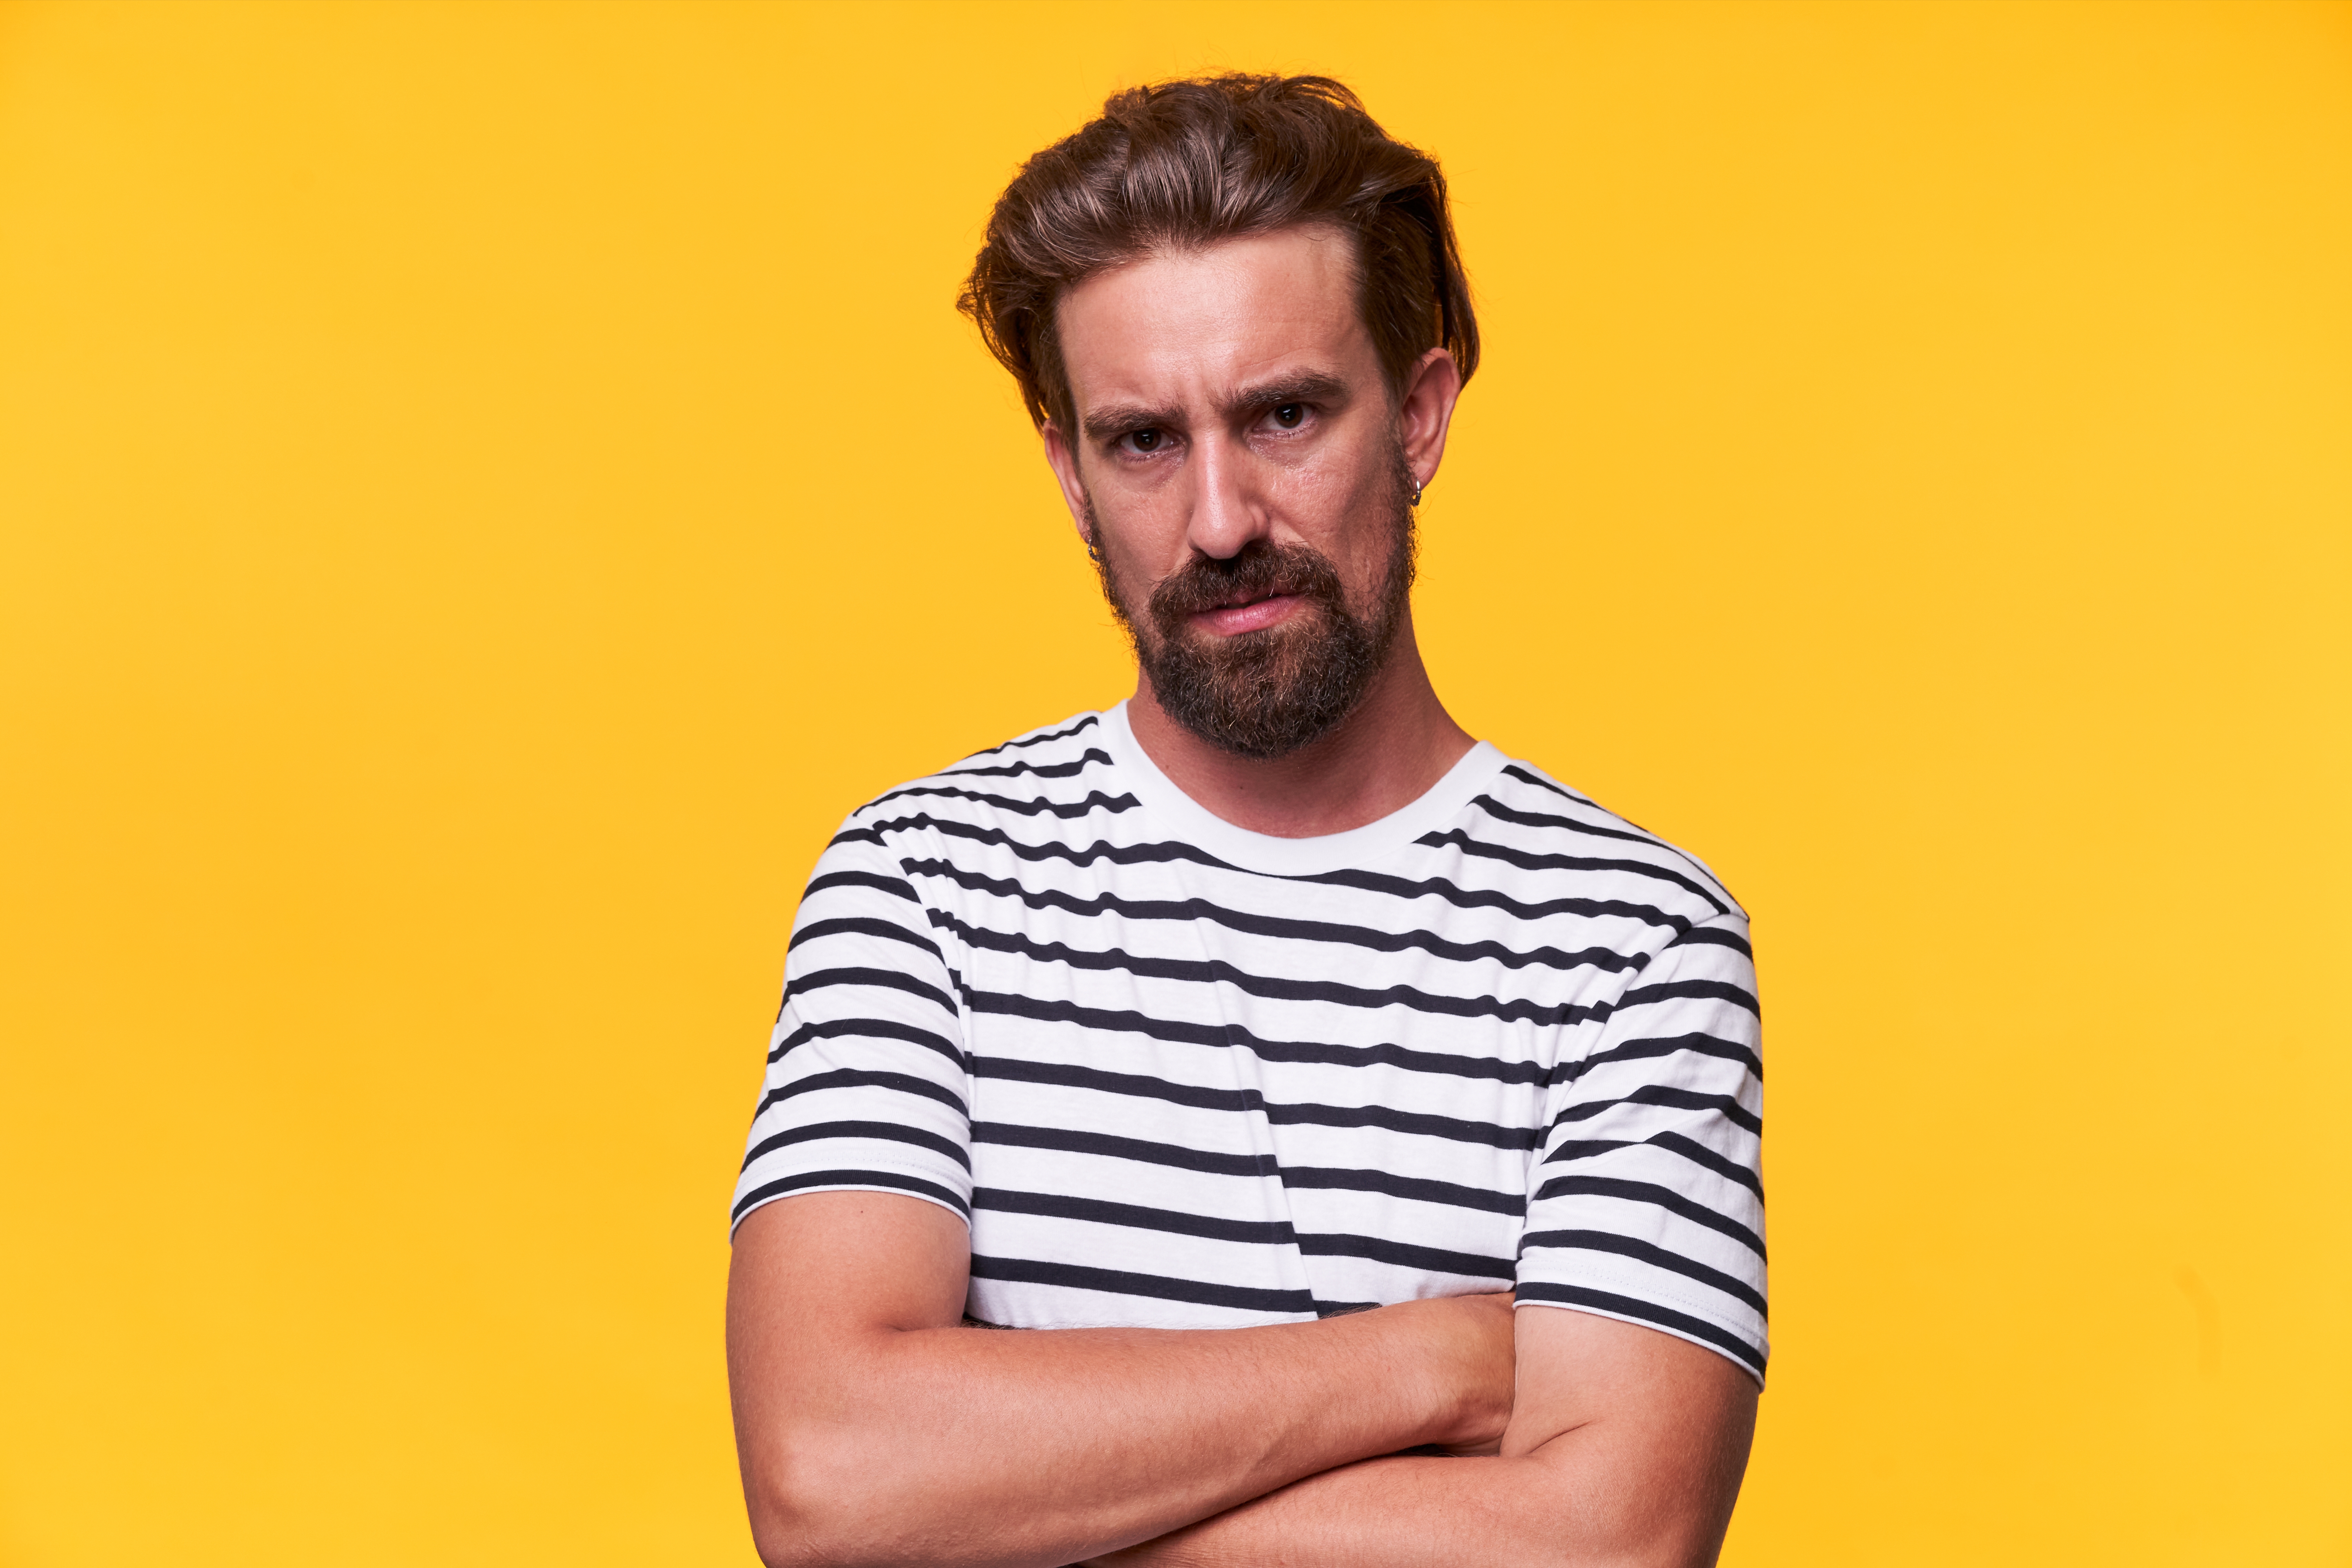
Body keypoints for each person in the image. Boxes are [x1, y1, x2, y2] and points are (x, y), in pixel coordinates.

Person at [726, 74, 1764, 1568]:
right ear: (1070, 473)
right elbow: (829, 1480)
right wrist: (1427, 1364)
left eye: (1283, 416)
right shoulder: (919, 886)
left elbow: (1601, 1547)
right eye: (1144, 440)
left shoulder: (1633, 944)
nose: (1218, 521)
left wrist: (1011, 1510)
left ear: (1418, 415)